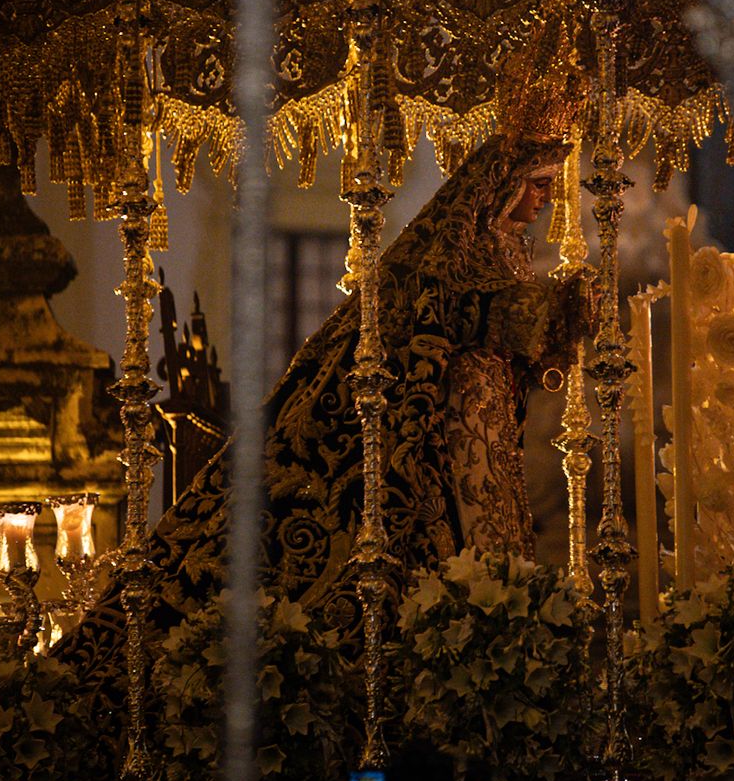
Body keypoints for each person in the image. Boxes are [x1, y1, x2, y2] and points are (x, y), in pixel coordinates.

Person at [58, 42, 594, 676]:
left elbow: (515, 342)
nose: (543, 203)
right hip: (434, 441)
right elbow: (459, 313)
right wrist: (563, 308)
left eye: (549, 189)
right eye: (536, 187)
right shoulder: (457, 247)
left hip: (480, 440)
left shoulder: (511, 251)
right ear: (503, 182)